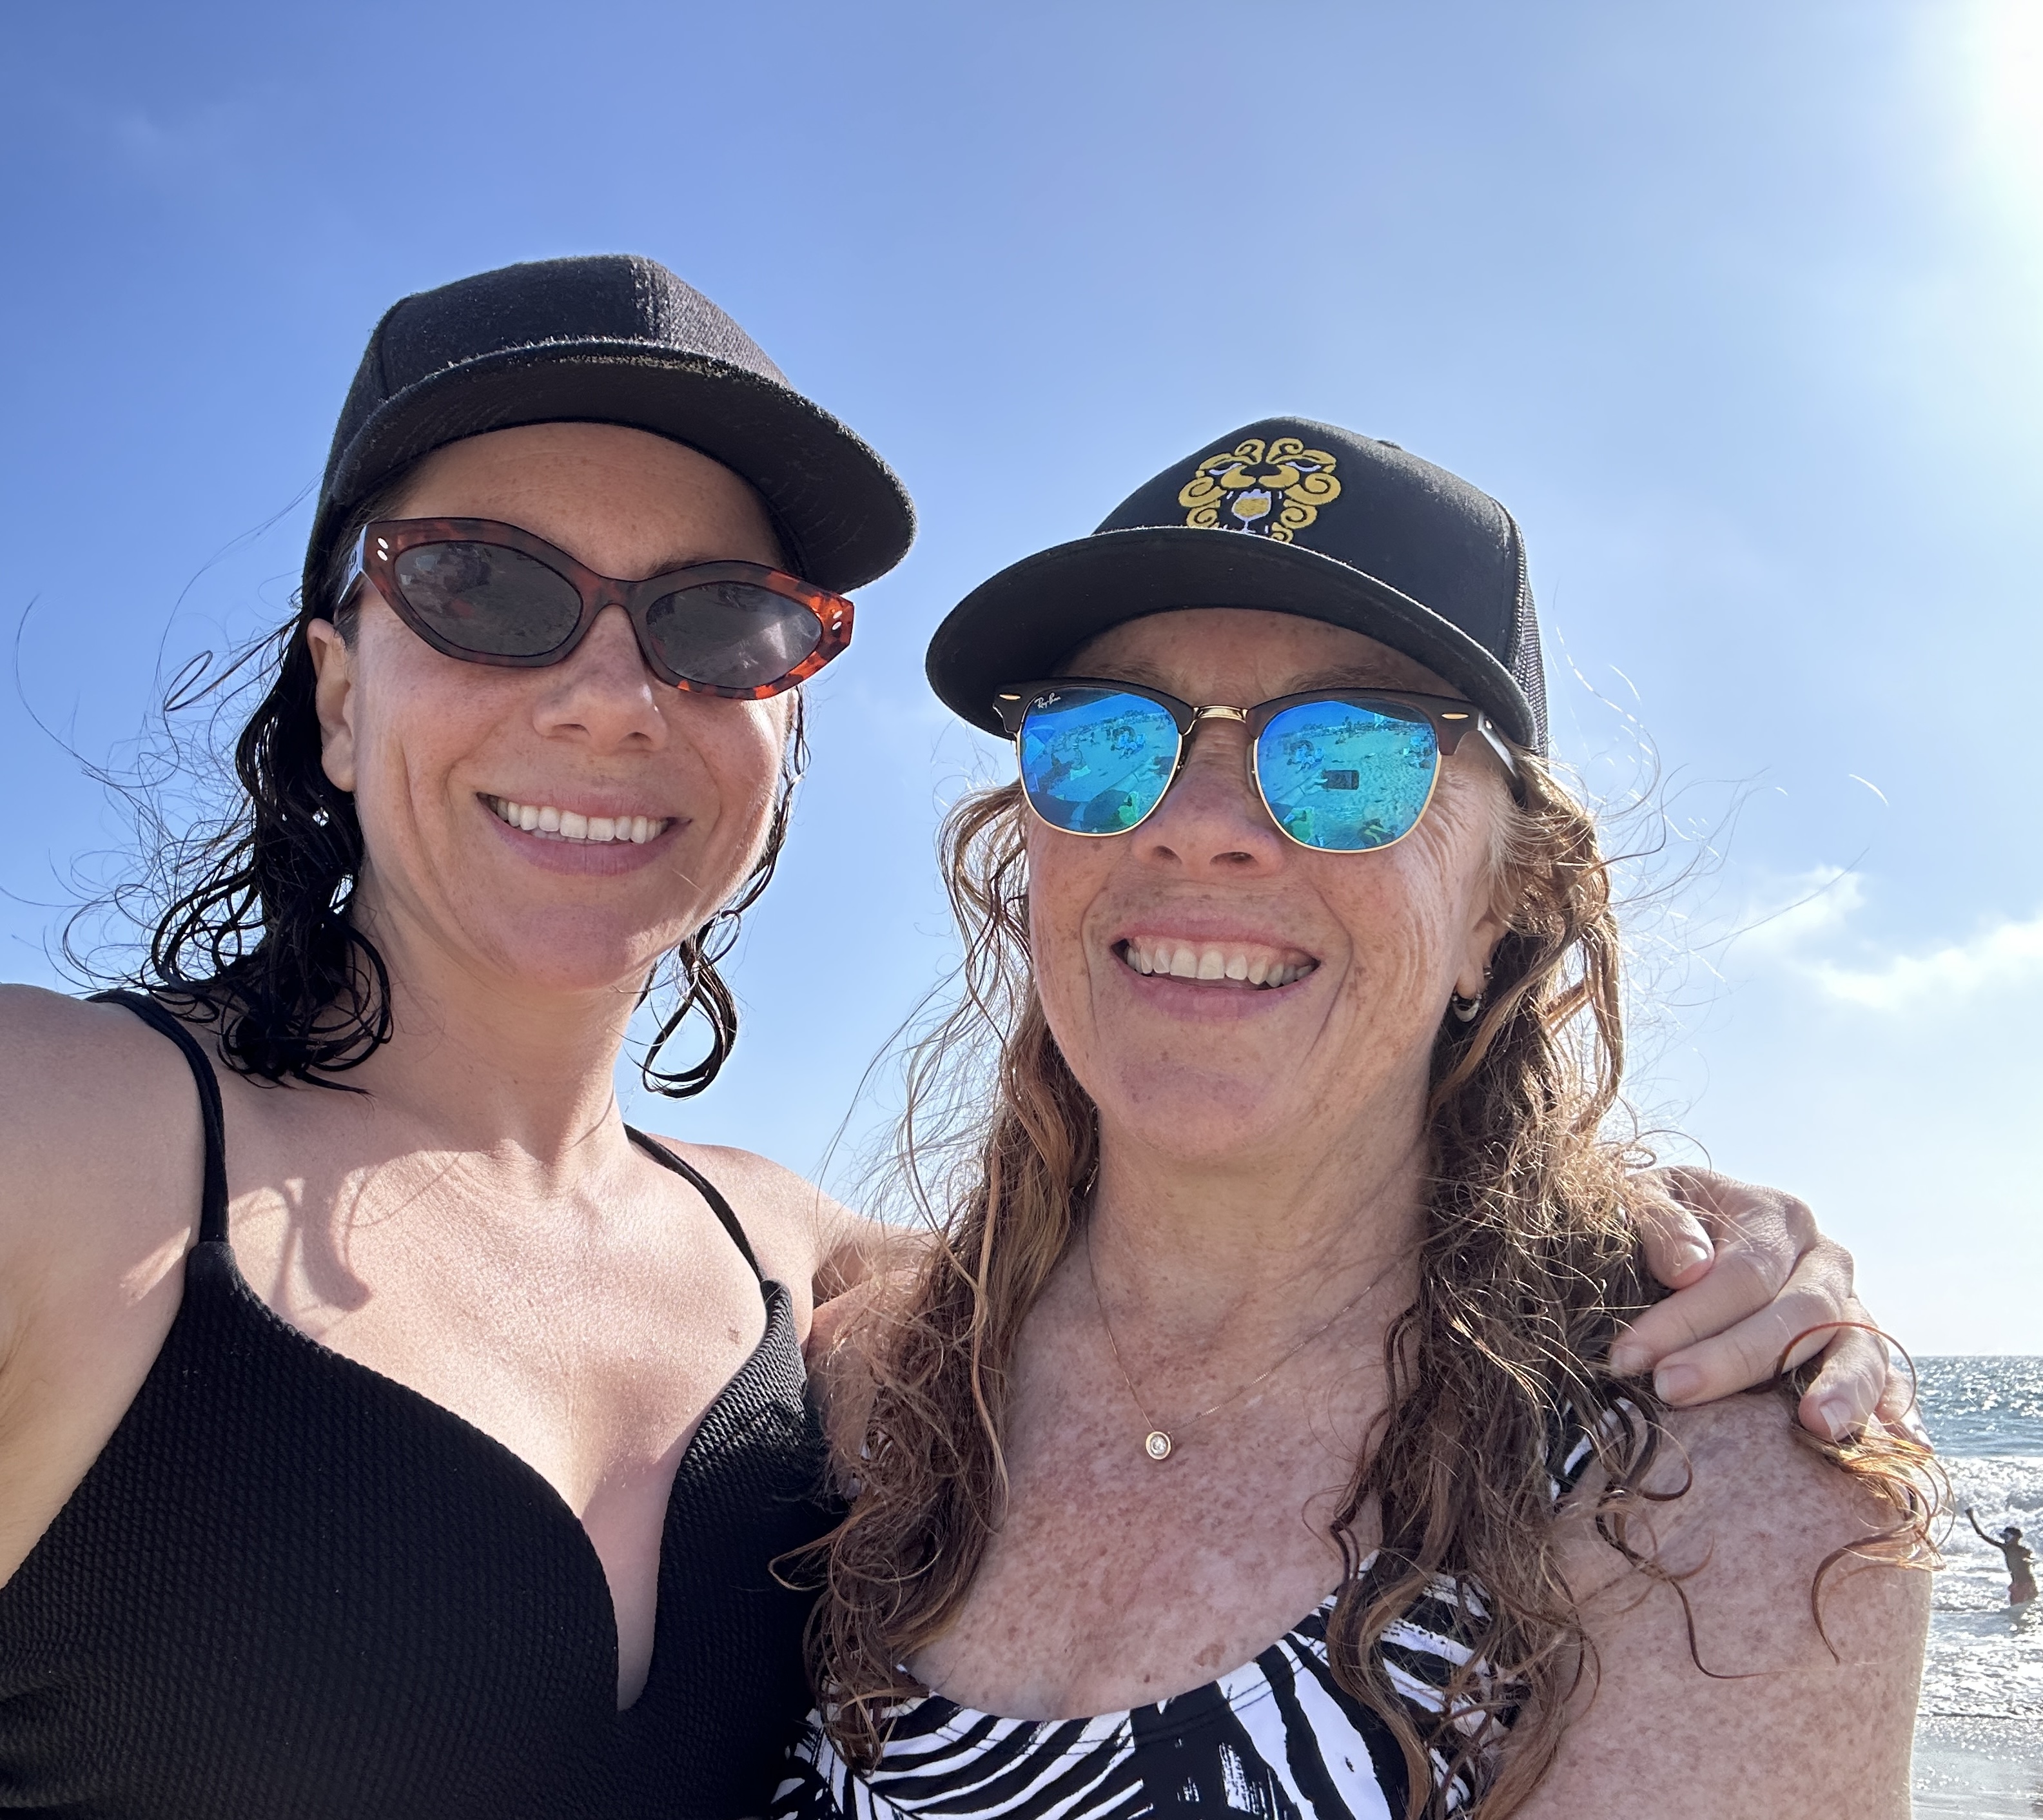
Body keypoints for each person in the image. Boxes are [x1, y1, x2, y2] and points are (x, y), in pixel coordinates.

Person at [0, 262, 1887, 1820]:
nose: (608, 695)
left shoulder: (823, 1304)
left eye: (718, 622)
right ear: (336, 696)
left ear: (1509, 898)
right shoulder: (63, 1139)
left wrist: (1702, 1260)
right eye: (485, 590)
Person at [785, 420, 1937, 1820]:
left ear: (1504, 902)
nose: (1197, 822)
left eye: (1345, 754)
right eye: (1103, 738)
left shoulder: (1708, 1501)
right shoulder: (872, 1391)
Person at [1964, 1507, 2038, 1604]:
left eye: (2007, 1538)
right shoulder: (2007, 1549)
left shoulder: (2023, 1551)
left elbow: (2031, 1561)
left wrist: (2028, 1560)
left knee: (2025, 1606)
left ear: (2016, 1538)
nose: (2005, 1541)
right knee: (2017, 1607)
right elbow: (1982, 1535)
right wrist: (1971, 1518)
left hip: (2027, 1584)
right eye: (2004, 1538)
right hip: (2018, 1584)